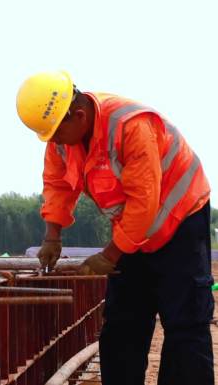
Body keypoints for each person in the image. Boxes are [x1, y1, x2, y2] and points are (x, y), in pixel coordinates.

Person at [16, 71, 214, 385]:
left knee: (185, 323)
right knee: (123, 324)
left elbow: (143, 204)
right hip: (131, 230)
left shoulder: (131, 127)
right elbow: (56, 184)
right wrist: (52, 235)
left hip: (180, 221)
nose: (52, 142)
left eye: (54, 134)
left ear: (79, 116)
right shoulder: (62, 139)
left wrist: (109, 255)